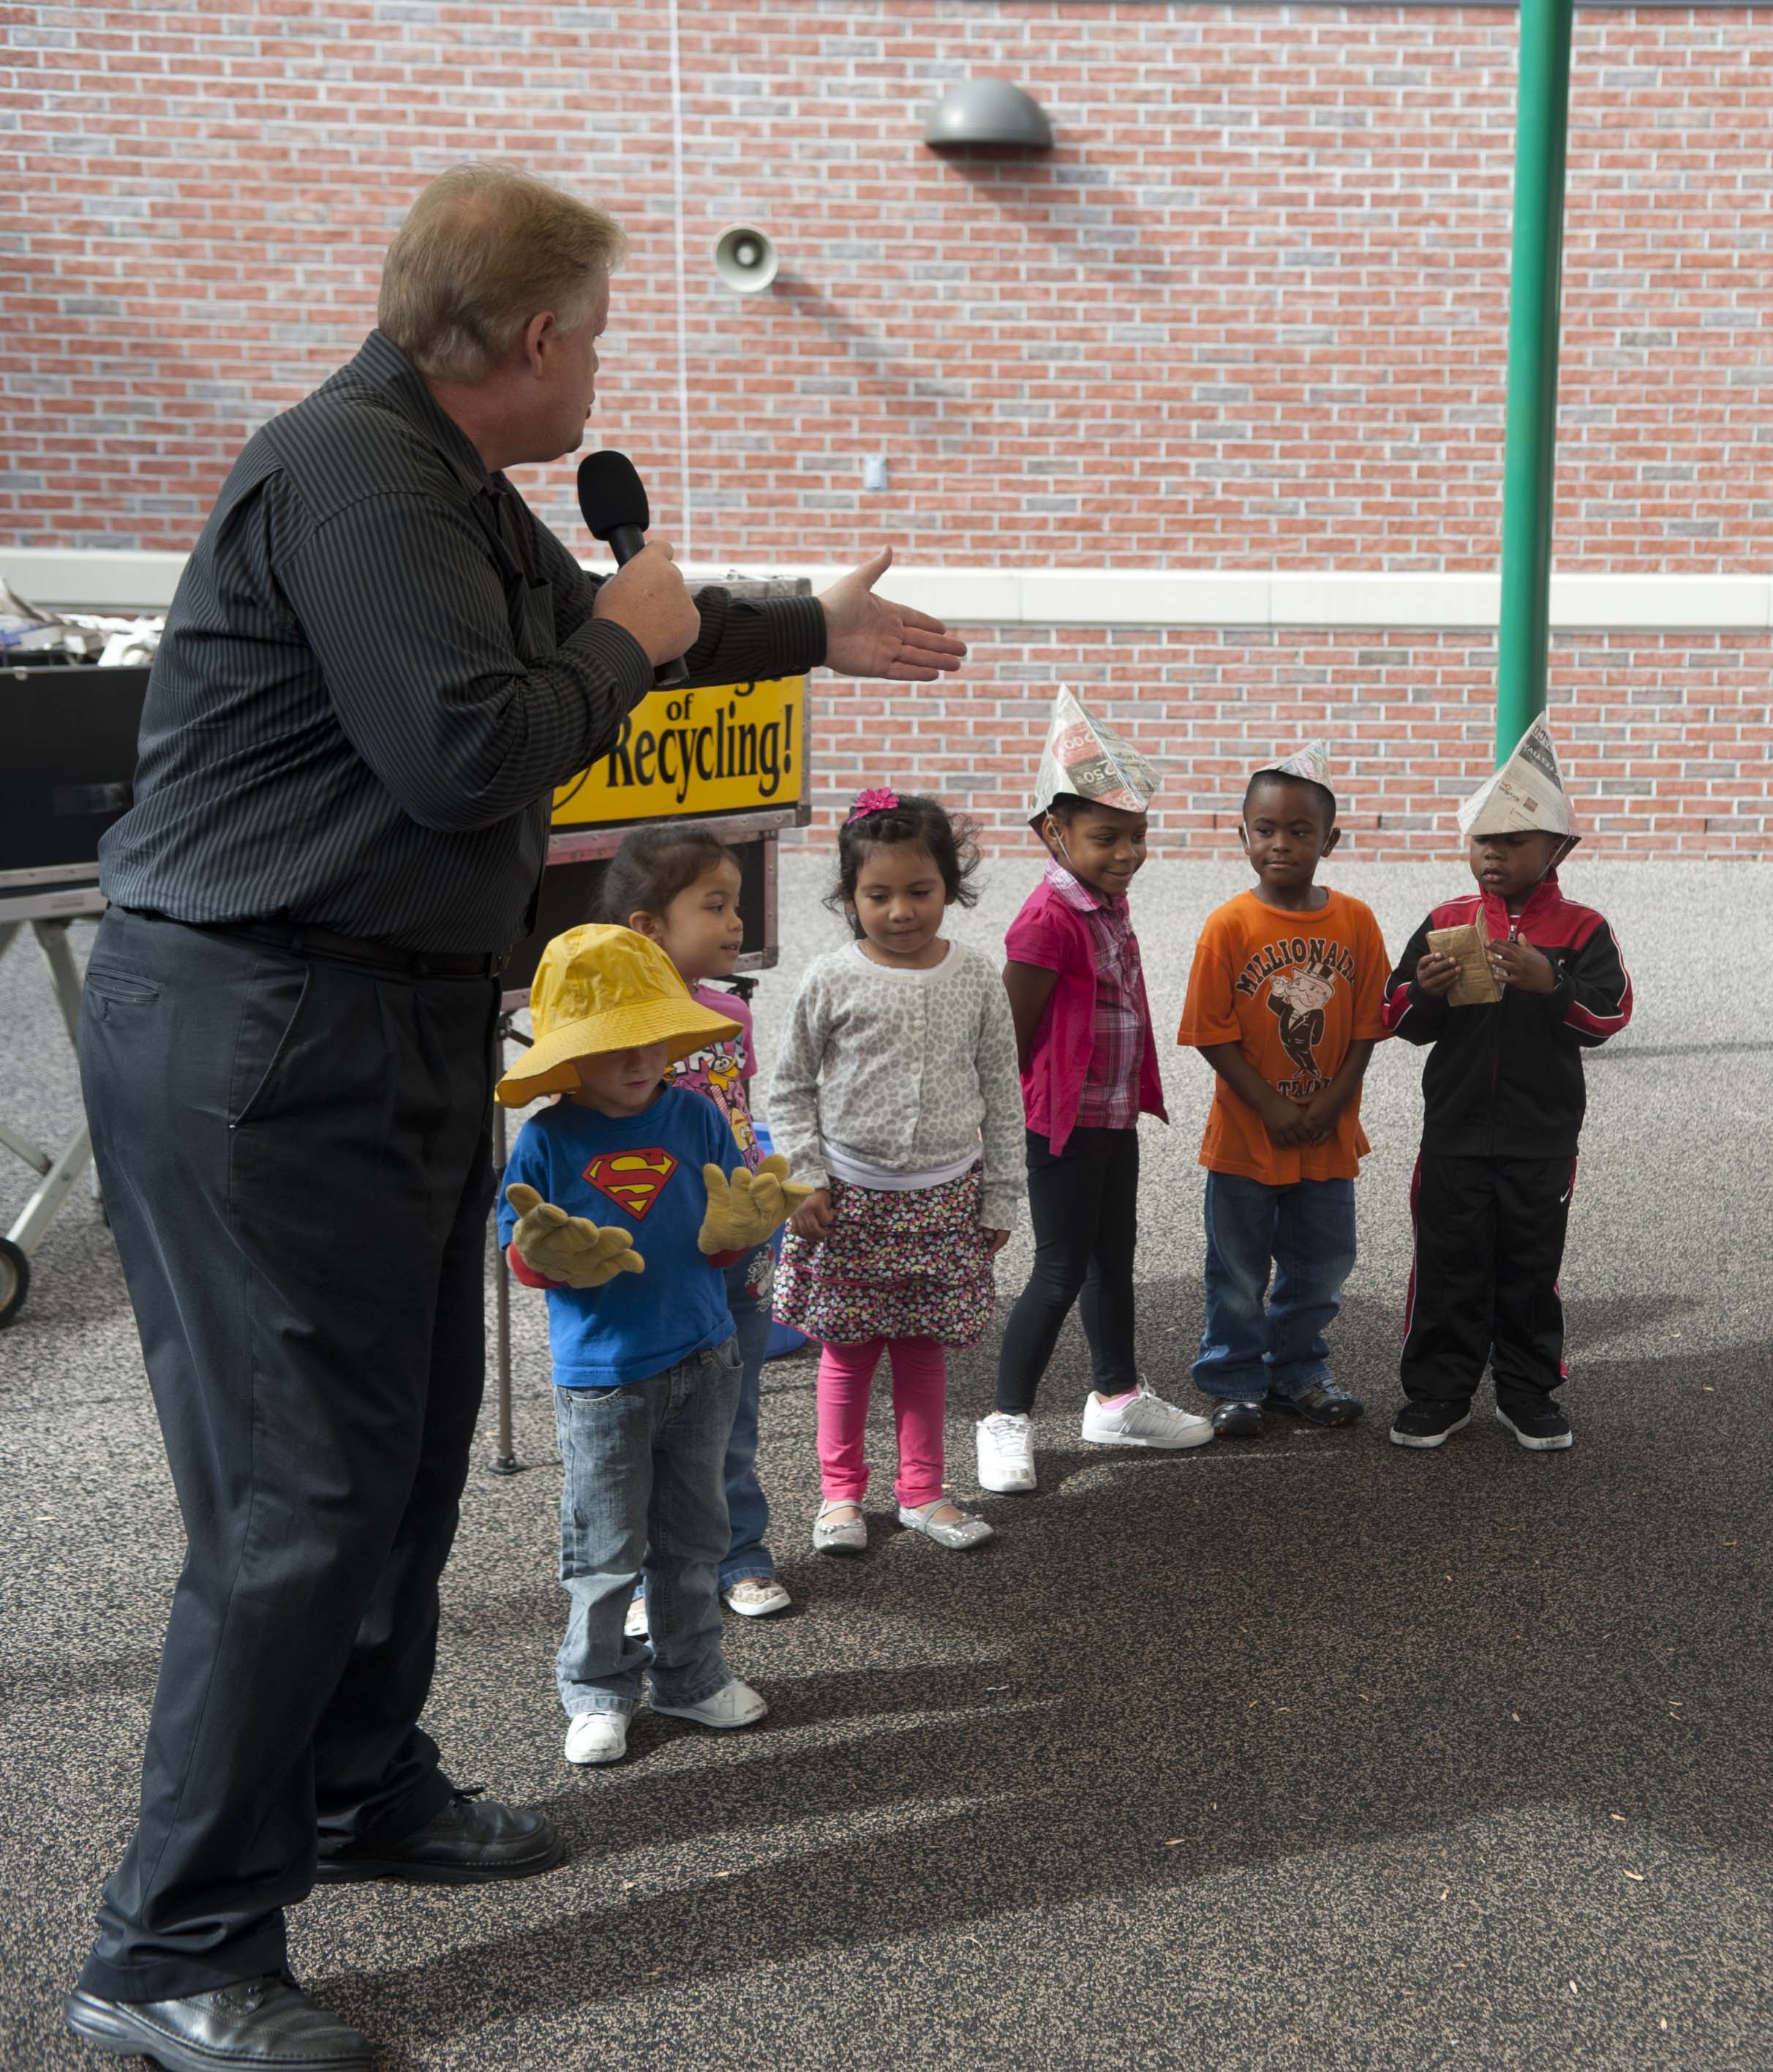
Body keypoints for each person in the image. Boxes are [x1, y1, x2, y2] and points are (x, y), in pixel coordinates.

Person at [66, 160, 966, 2072]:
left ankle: (356, 1786)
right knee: (299, 1490)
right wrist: (636, 640)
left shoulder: (446, 484)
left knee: (402, 1446)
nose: (604, 369)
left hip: (377, 1017)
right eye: (605, 334)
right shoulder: (348, 472)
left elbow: (602, 624)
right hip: (256, 1033)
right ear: (537, 338)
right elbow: (485, 734)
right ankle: (169, 1950)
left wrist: (804, 622)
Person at [496, 926, 805, 1766]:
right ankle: (597, 1690)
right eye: (615, 1043)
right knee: (603, 1547)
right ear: (568, 1052)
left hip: (706, 1355)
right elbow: (519, 1248)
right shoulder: (548, 1141)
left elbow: (721, 1234)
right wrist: (543, 1261)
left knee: (697, 1530)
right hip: (603, 1377)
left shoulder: (698, 1114)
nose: (642, 1058)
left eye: (654, 1037)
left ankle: (691, 1674)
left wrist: (740, 1236)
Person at [770, 789, 1022, 1553]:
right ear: (850, 897)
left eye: (921, 891)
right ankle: (840, 1498)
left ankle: (923, 1492)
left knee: (922, 1349)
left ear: (951, 887)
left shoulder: (977, 977)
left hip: (945, 1201)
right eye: (878, 895)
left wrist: (1001, 1193)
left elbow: (1003, 1092)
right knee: (847, 1355)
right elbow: (790, 1087)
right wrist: (803, 1179)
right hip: (846, 1202)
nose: (902, 911)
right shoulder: (830, 979)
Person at [980, 688, 1213, 1496]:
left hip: (1112, 1120)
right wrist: (996, 1138)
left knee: (1115, 1261)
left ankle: (1116, 1397)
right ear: (1055, 833)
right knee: (1059, 1268)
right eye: (1106, 836)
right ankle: (1007, 1417)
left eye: (1137, 835)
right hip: (1061, 1128)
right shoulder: (1046, 919)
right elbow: (1010, 1039)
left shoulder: (1107, 903)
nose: (1127, 852)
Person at [1384, 716, 1633, 1453]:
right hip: (1455, 1134)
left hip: (1541, 1139)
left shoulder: (1583, 929)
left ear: (1555, 848)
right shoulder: (1445, 919)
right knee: (1448, 1266)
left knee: (1529, 1270)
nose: (1491, 855)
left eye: (1512, 840)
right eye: (1480, 840)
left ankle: (1528, 1393)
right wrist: (1424, 991)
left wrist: (1550, 982)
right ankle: (1438, 1393)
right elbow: (1397, 1017)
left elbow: (1608, 1016)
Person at [603, 825, 791, 1624]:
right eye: (714, 906)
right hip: (657, 1256)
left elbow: (743, 1120)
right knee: (651, 1421)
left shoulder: (728, 1018)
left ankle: (739, 1552)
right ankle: (653, 1575)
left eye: (737, 905)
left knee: (733, 1406)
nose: (735, 923)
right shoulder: (609, 1034)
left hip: (736, 1248)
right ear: (648, 928)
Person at [1175, 743, 1389, 1437]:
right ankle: (1235, 1382)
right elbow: (1210, 1031)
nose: (1281, 844)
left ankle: (1300, 1374)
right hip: (1246, 1138)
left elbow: (1366, 1025)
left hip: (1327, 1136)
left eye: (1300, 832)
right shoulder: (1229, 925)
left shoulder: (1355, 921)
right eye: (1265, 830)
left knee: (1319, 1268)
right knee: (1236, 1271)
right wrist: (1270, 1104)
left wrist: (1328, 1105)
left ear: (1331, 839)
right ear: (1242, 836)